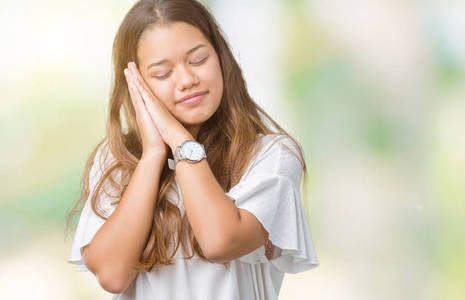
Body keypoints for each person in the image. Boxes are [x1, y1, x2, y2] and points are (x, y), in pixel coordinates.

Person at [64, 0, 319, 299]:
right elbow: (112, 275)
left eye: (198, 60)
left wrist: (181, 142)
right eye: (162, 74)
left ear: (221, 58)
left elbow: (220, 241)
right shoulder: (117, 159)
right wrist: (153, 156)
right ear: (136, 84)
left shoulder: (270, 154)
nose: (187, 80)